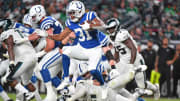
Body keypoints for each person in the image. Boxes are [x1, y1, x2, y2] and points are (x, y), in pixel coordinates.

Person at [43, 1, 108, 86]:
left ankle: (103, 85)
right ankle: (66, 79)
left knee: (92, 70)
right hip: (82, 49)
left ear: (80, 11)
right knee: (65, 52)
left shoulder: (90, 15)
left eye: (73, 13)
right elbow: (60, 37)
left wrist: (90, 26)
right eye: (70, 13)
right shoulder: (71, 23)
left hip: (94, 49)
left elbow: (103, 25)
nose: (71, 15)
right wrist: (47, 35)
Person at [106, 18, 160, 100]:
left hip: (135, 60)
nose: (110, 31)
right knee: (117, 82)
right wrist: (114, 65)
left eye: (111, 28)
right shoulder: (112, 38)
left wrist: (131, 64)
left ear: (116, 27)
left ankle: (155, 88)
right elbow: (117, 52)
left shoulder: (122, 34)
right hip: (124, 62)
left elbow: (133, 49)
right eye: (109, 29)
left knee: (142, 85)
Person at [29, 5, 68, 101]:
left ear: (39, 14)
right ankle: (65, 93)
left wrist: (40, 54)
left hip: (61, 49)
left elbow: (50, 45)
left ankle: (51, 95)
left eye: (34, 16)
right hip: (61, 48)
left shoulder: (45, 22)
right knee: (50, 75)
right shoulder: (47, 20)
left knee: (41, 67)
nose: (33, 19)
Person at [0, 19, 37, 101]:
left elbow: (10, 46)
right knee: (26, 83)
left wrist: (12, 62)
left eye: (0, 28)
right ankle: (38, 99)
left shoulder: (6, 33)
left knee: (9, 79)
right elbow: (33, 40)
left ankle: (27, 93)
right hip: (34, 57)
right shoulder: (19, 31)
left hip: (24, 58)